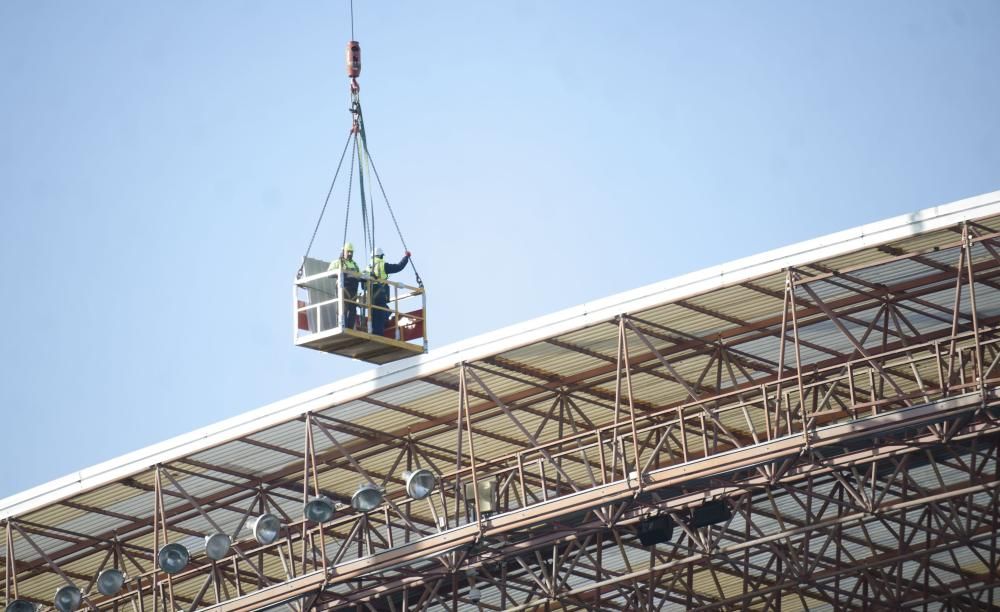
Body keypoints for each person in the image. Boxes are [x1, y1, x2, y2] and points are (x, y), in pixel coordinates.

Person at [366, 247, 411, 336]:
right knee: (381, 313)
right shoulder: (382, 265)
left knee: (376, 313)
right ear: (381, 256)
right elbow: (398, 267)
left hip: (371, 295)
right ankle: (378, 335)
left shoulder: (368, 267)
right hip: (380, 294)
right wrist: (406, 257)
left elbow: (362, 280)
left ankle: (375, 331)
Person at [328, 242, 361, 329]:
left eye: (351, 252)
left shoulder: (355, 265)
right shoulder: (337, 263)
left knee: (353, 310)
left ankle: (349, 328)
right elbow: (329, 273)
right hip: (343, 289)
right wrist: (342, 273)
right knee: (343, 308)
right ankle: (343, 325)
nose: (350, 254)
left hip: (353, 291)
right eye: (348, 252)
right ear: (343, 251)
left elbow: (359, 275)